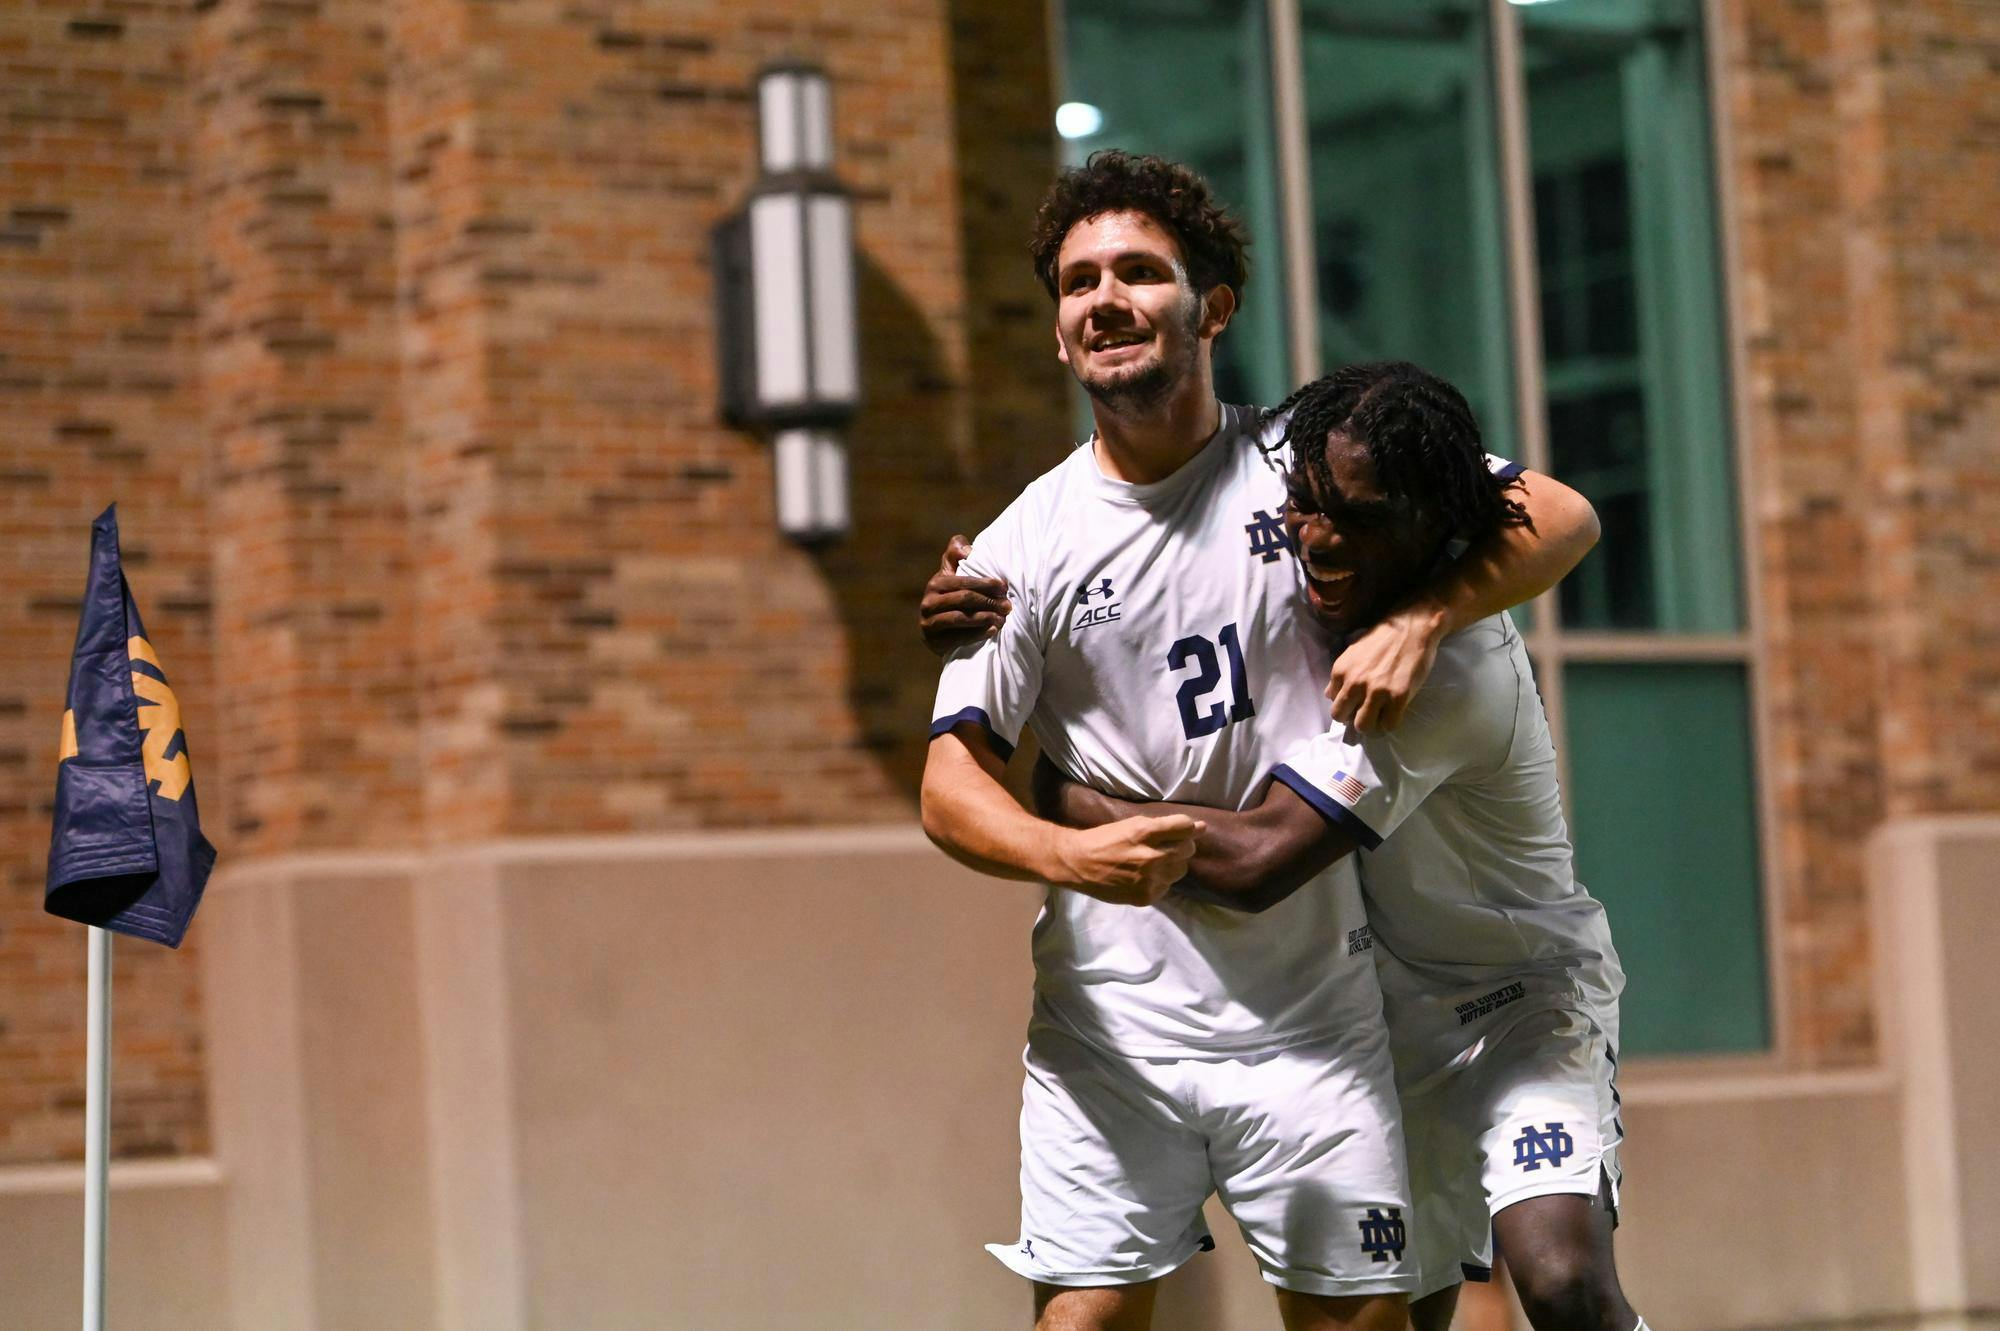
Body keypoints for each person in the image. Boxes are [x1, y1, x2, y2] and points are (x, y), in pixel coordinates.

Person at [919, 149, 1600, 1331]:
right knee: (1077, 1319)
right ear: (1056, 328)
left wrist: (1426, 614)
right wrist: (1063, 852)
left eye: (1139, 271)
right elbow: (945, 786)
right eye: (1078, 282)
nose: (1105, 299)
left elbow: (1559, 509)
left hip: (1315, 1020)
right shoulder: (1015, 548)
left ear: (1211, 306)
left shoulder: (1304, 466)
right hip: (1111, 1023)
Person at [1018, 362, 1649, 1331]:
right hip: (1381, 1024)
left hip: (1518, 1005)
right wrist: (987, 594)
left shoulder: (1444, 674)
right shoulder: (1323, 591)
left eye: (1357, 516)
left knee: (1559, 1280)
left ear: (1433, 522)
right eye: (1303, 508)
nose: (1317, 538)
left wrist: (1061, 791)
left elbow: (1256, 860)